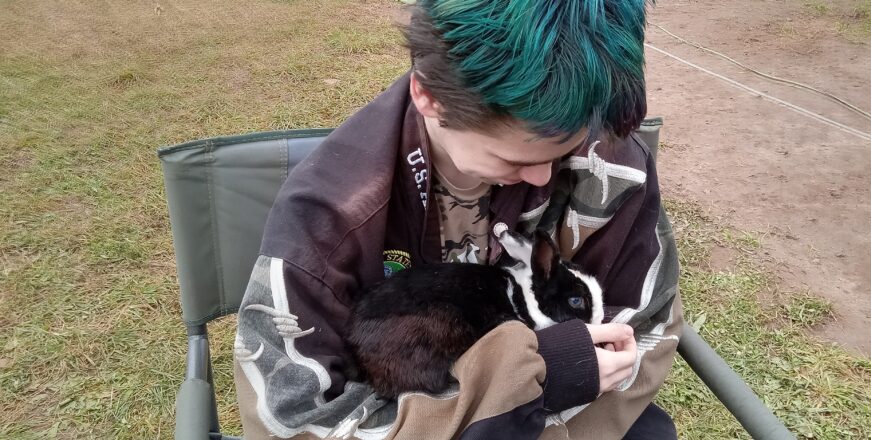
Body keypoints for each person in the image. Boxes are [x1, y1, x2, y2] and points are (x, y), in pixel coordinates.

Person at [232, 1, 683, 438]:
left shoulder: (612, 165)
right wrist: (532, 379)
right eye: (514, 158)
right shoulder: (325, 219)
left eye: (563, 151)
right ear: (427, 94)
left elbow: (644, 329)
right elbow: (295, 423)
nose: (545, 176)